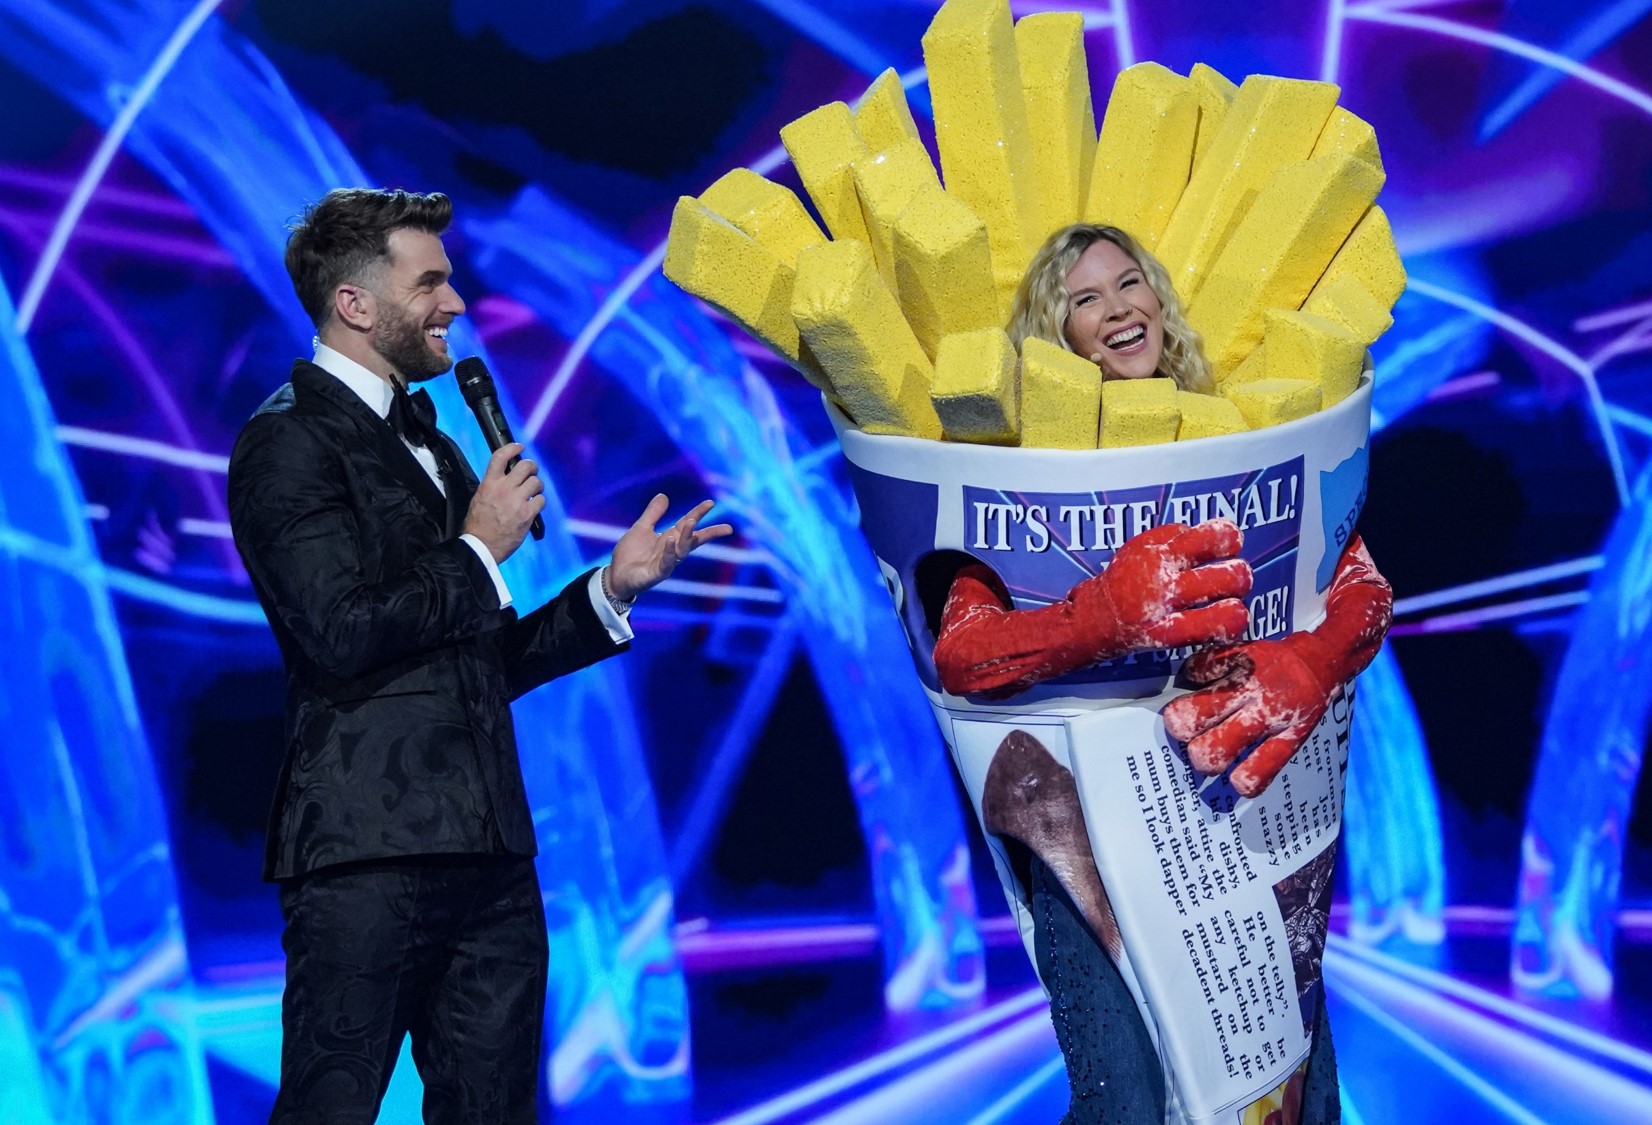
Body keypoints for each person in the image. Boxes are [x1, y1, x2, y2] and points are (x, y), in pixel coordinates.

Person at [227, 187, 731, 1124]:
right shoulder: (286, 439)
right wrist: (479, 548)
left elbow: (483, 663)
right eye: (432, 283)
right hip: (366, 854)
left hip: (490, 853)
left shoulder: (435, 445)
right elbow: (338, 629)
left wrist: (609, 591)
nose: (457, 304)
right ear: (356, 304)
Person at [931, 223, 1392, 1124]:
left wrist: (1312, 658)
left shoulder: (1246, 440)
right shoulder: (1013, 468)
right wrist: (1098, 616)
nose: (1117, 309)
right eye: (1084, 299)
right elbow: (961, 648)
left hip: (1237, 827)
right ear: (1053, 336)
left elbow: (1361, 582)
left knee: (1299, 1095)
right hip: (1083, 838)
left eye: (1128, 283)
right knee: (1128, 1101)